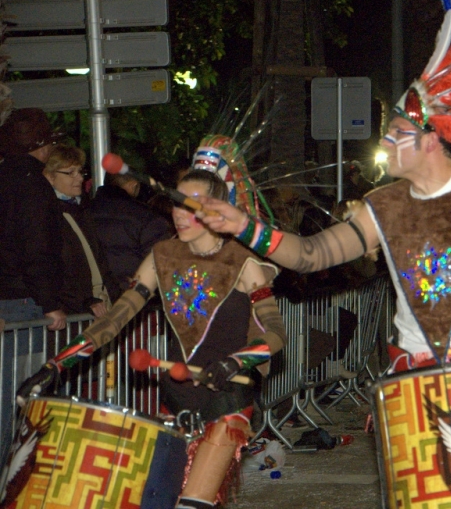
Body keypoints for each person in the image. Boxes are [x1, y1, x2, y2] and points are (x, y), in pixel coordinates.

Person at [197, 0, 451, 374]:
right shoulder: (383, 204)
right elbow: (309, 255)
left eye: (396, 133)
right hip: (409, 383)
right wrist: (242, 225)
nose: (385, 142)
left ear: (429, 141)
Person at [16, 167, 287, 509]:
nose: (179, 213)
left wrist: (235, 361)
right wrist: (56, 365)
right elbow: (114, 321)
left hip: (227, 398)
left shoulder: (245, 263)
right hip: (173, 399)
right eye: (176, 202)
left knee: (192, 504)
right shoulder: (162, 257)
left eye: (192, 205)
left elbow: (276, 333)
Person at [0, 108, 67, 330]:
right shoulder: (33, 186)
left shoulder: (5, 177)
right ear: (42, 146)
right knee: (23, 363)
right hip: (22, 298)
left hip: (8, 292)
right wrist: (49, 302)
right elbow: (36, 245)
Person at [43, 145, 120, 317]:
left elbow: (99, 261)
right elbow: (53, 270)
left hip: (95, 305)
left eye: (80, 171)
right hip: (73, 311)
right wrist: (83, 301)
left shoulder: (82, 210)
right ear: (50, 177)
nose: (79, 178)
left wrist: (115, 294)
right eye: (70, 173)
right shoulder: (47, 214)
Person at [88, 170, 173, 295]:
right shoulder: (146, 217)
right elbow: (160, 266)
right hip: (133, 297)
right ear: (133, 185)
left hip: (92, 298)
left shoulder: (84, 211)